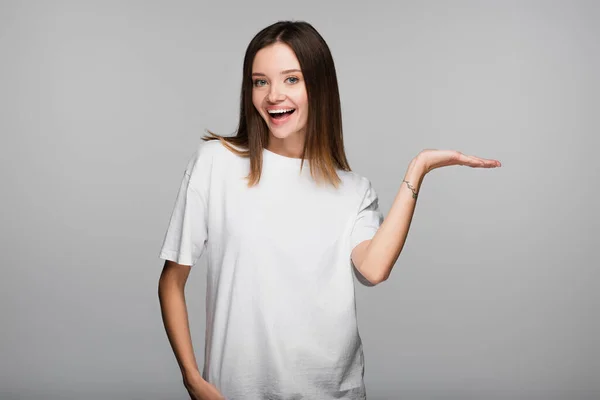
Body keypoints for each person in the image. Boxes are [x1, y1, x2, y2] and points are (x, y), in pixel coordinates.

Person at [157, 20, 501, 400]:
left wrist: (418, 168)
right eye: (260, 81)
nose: (273, 95)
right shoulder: (215, 163)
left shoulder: (352, 190)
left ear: (318, 87)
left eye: (291, 79)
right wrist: (192, 378)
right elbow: (172, 280)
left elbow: (374, 269)